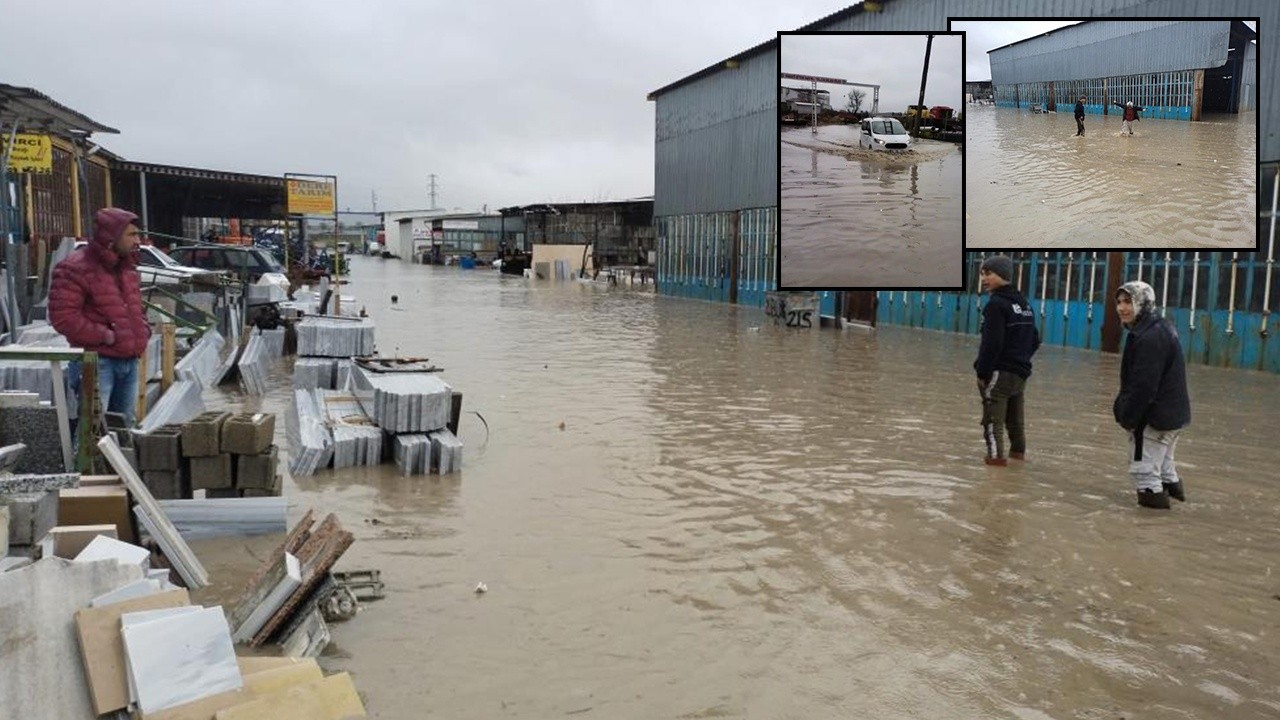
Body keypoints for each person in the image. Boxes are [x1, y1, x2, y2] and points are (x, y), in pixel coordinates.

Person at [49, 207, 151, 428]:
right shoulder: (75, 268)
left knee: (122, 428)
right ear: (111, 237)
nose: (138, 241)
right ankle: (83, 465)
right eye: (131, 235)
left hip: (129, 361)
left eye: (138, 234)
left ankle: (117, 464)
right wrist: (106, 336)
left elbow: (133, 308)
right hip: (96, 363)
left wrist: (142, 329)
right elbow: (63, 318)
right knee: (92, 430)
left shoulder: (127, 268)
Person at [1112, 280, 1191, 509]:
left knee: (1144, 476)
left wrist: (1128, 417)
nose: (1121, 308)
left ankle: (1150, 533)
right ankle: (1177, 511)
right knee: (1164, 470)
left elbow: (1143, 387)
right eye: (1119, 302)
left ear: (1143, 303)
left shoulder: (1149, 336)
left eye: (1128, 302)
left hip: (1155, 420)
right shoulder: (1158, 327)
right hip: (1172, 416)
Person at [974, 255, 1041, 466]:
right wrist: (1020, 360)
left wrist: (982, 372)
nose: (984, 279)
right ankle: (1018, 460)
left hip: (999, 373)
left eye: (989, 273)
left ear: (1003, 275)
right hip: (1020, 374)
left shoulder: (996, 305)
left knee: (993, 422)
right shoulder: (1024, 304)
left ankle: (995, 467)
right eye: (982, 274)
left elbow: (991, 344)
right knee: (1016, 422)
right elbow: (1035, 339)